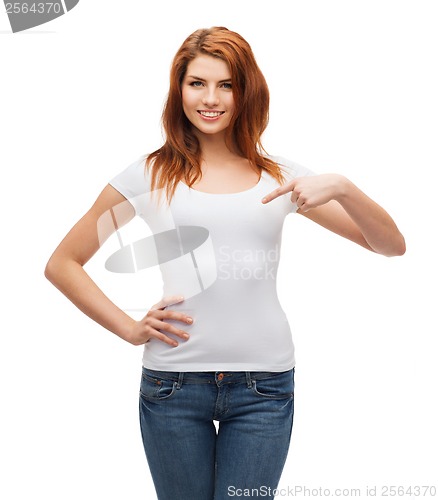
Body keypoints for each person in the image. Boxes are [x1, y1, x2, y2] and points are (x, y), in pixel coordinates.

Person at [44, 26, 406, 500]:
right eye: (197, 83)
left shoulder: (281, 177)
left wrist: (343, 187)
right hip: (173, 385)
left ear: (246, 91)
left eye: (226, 84)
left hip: (264, 386)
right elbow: (63, 262)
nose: (210, 98)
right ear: (179, 90)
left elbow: (389, 245)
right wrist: (130, 329)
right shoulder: (149, 174)